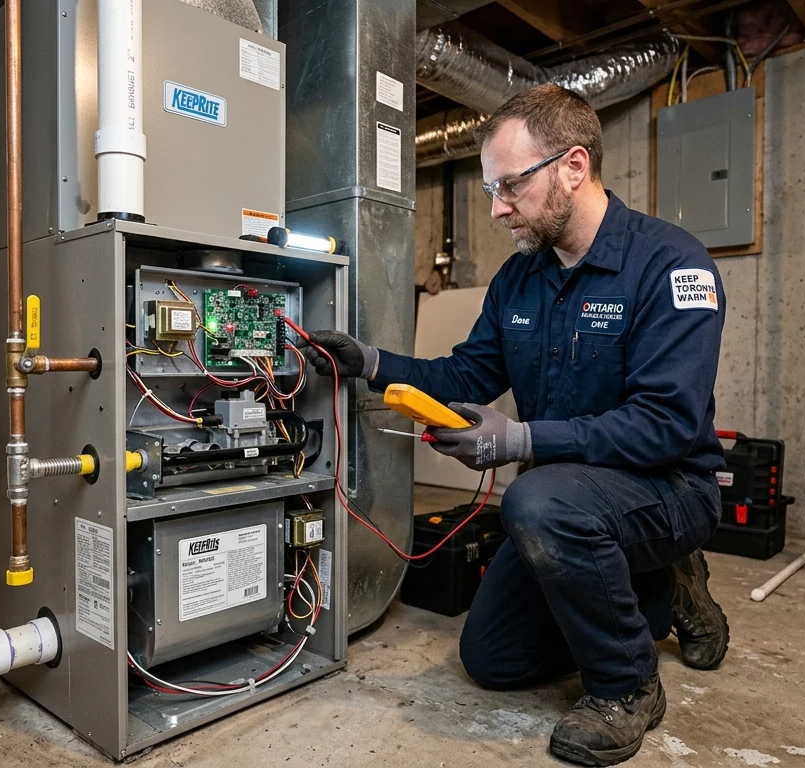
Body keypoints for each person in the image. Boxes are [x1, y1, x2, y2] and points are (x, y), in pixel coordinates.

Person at [301, 84, 730, 767]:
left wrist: (524, 441)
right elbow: (466, 376)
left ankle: (627, 685)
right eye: (490, 189)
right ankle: (654, 592)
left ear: (574, 167)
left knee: (536, 500)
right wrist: (370, 362)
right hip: (569, 500)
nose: (497, 208)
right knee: (492, 657)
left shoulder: (671, 265)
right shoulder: (518, 281)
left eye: (510, 186)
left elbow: (667, 426)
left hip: (667, 490)